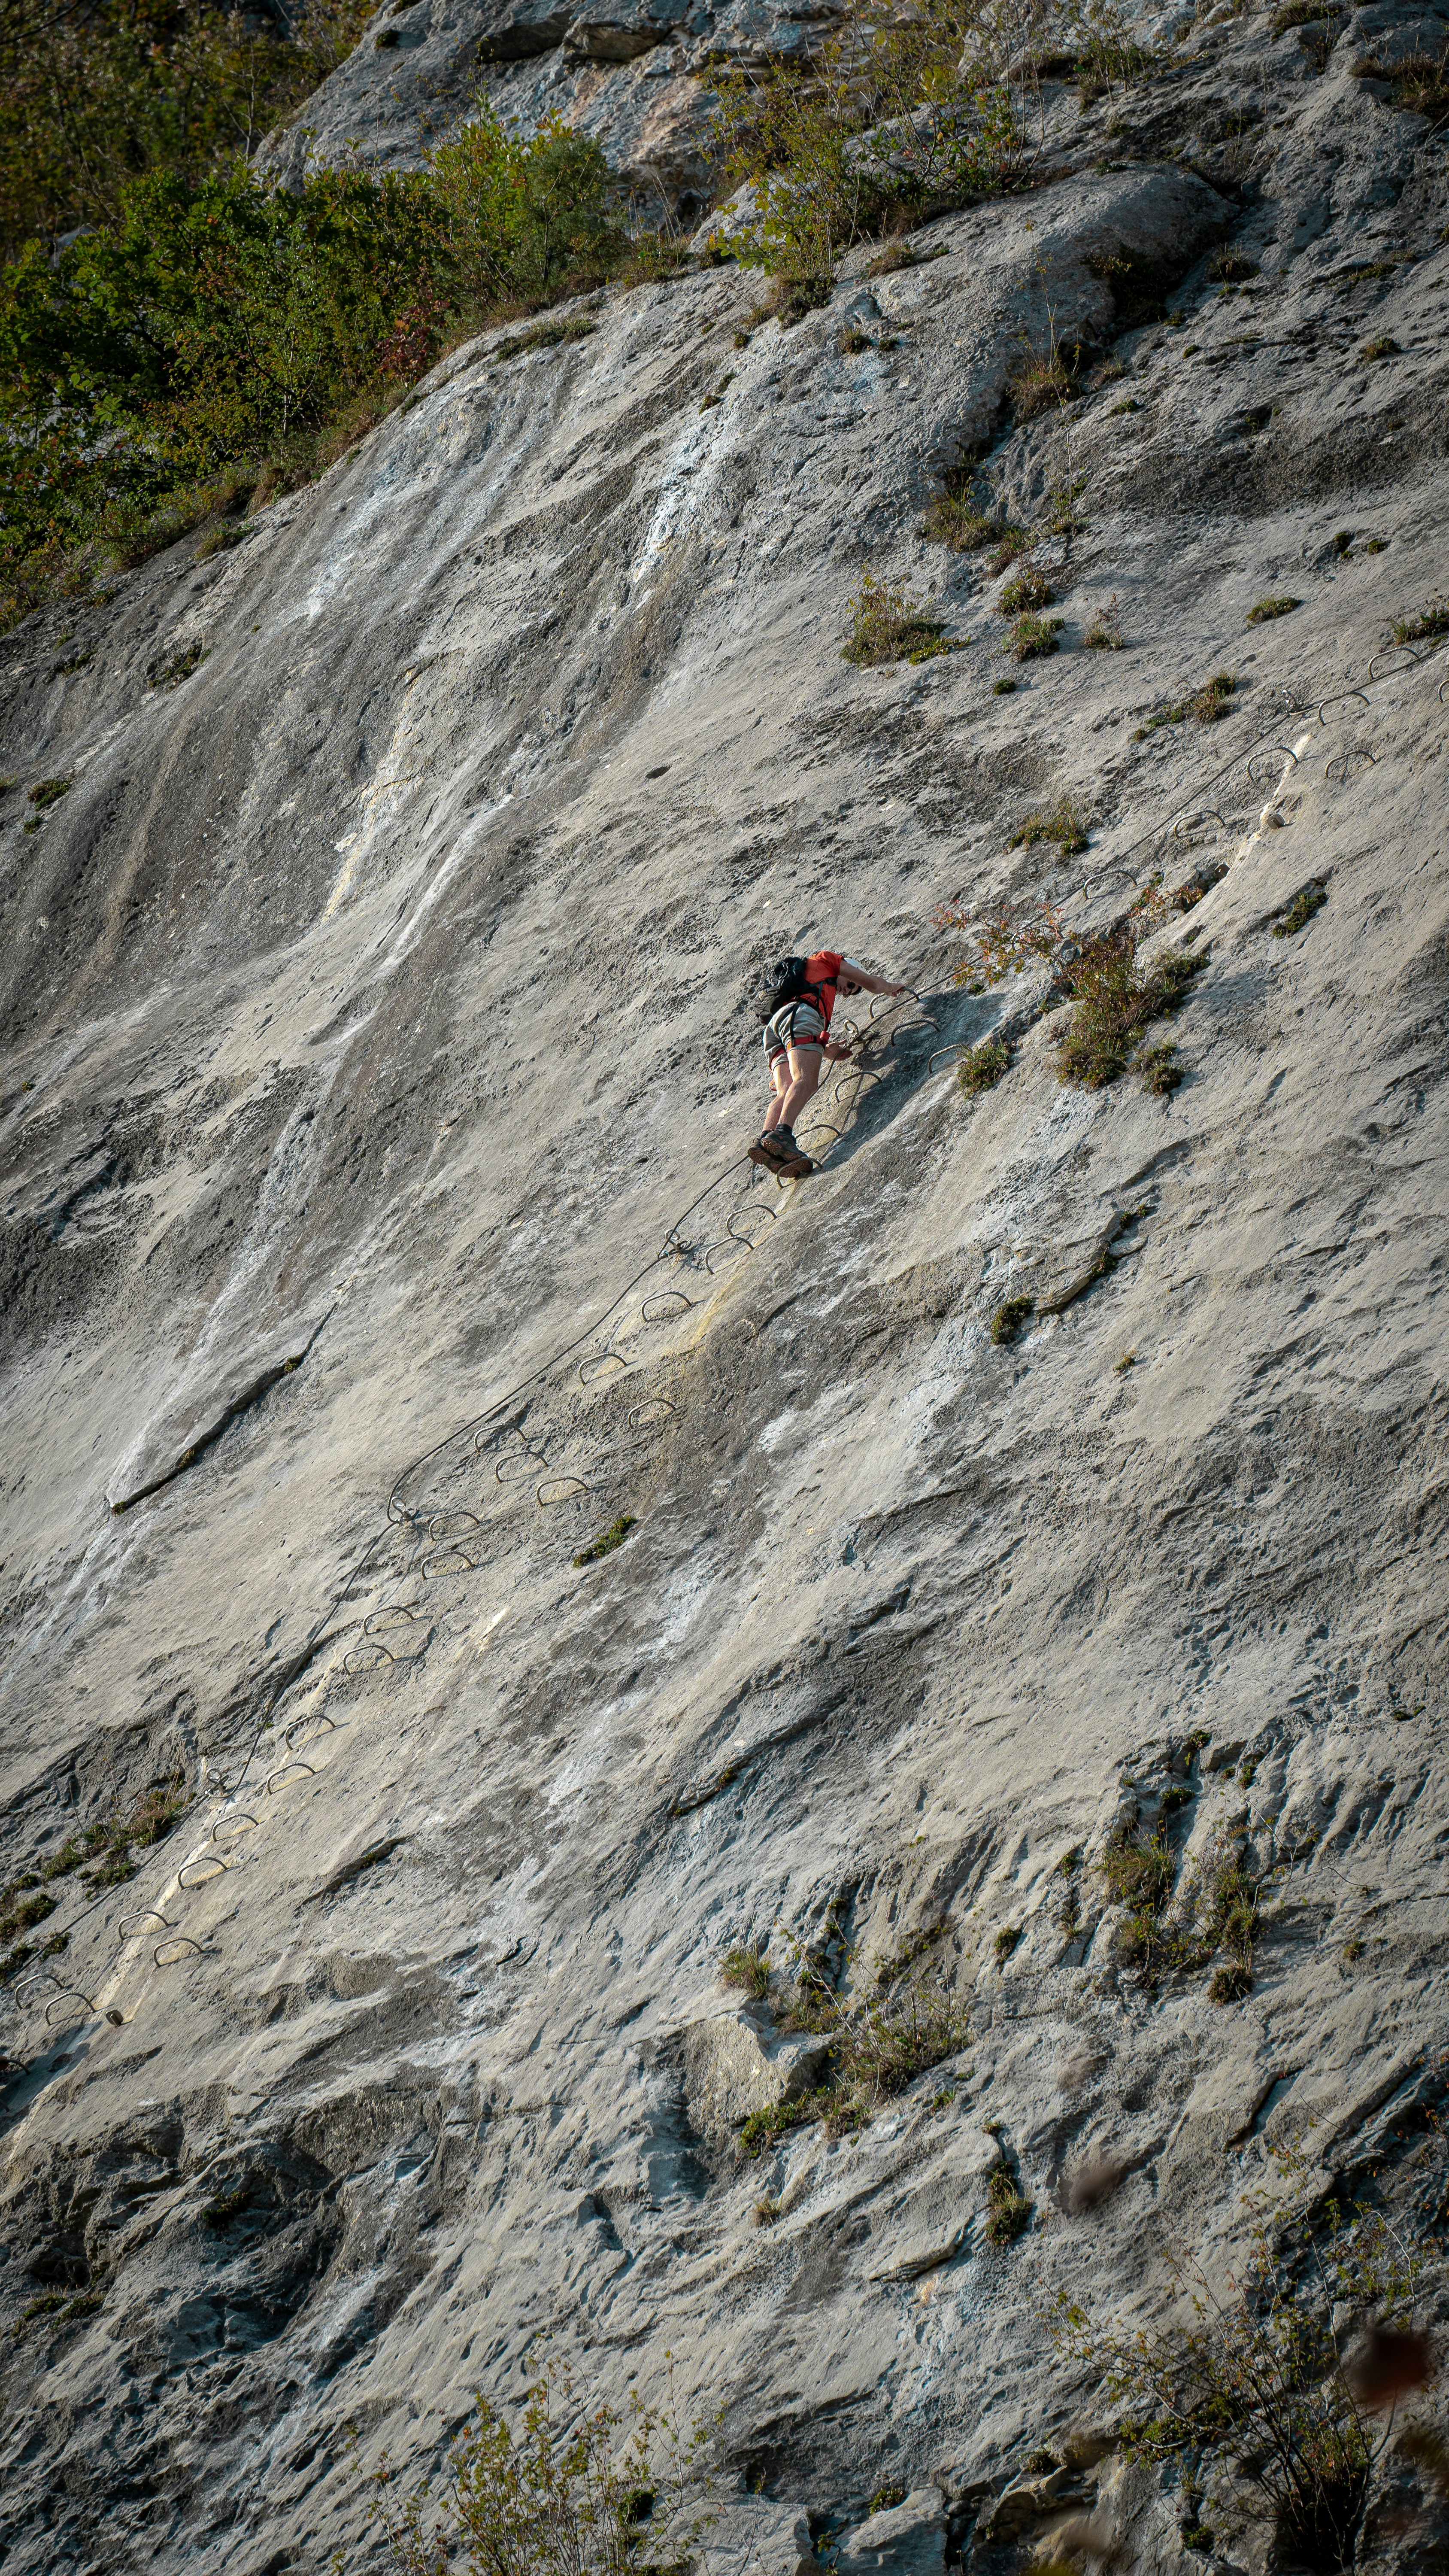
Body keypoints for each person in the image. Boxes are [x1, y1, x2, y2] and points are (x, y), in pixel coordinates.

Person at [749, 950, 910, 1176]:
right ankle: (783, 1134)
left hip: (775, 1029)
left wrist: (824, 1050)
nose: (847, 991)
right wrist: (891, 987)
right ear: (850, 969)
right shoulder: (827, 960)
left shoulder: (811, 980)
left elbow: (798, 1037)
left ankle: (766, 1141)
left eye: (851, 993)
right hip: (799, 1016)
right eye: (851, 984)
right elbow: (873, 984)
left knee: (786, 1090)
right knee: (806, 1080)